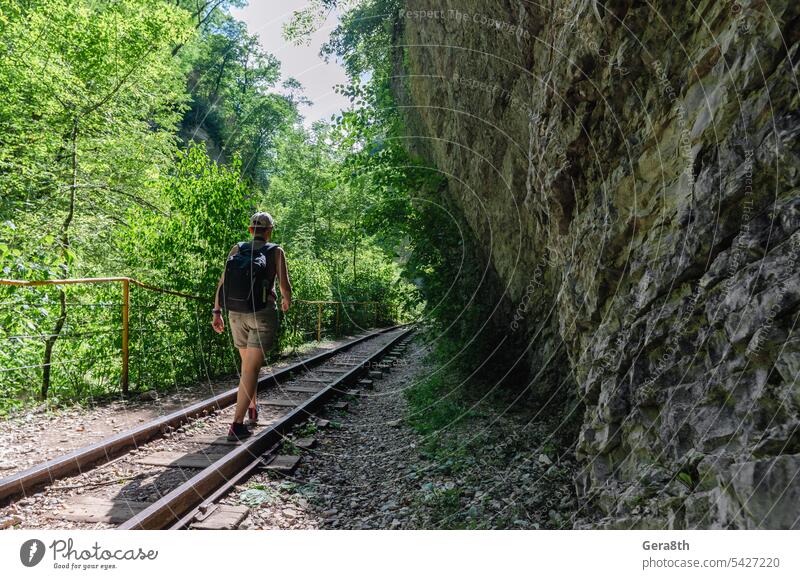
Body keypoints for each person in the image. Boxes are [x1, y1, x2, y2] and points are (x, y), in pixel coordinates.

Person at [211, 212, 292, 441]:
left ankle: (252, 409)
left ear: (250, 230)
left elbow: (222, 282)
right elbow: (284, 287)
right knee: (251, 369)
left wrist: (217, 312)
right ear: (269, 231)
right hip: (262, 314)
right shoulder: (276, 251)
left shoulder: (237, 249)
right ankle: (236, 425)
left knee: (247, 366)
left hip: (235, 313)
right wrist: (287, 301)